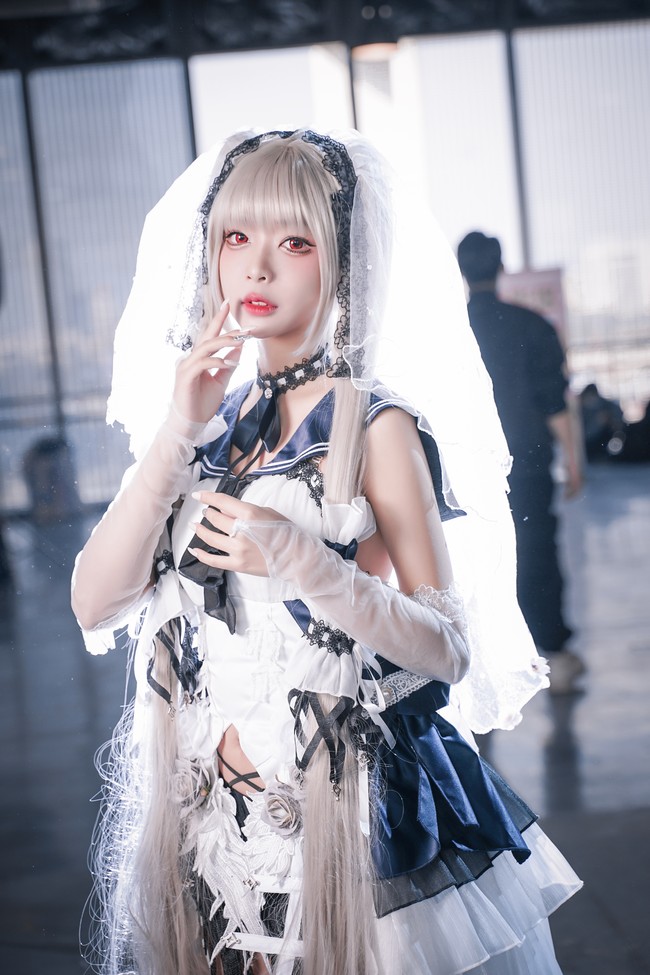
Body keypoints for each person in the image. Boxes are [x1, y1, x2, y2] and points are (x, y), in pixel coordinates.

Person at [72, 131, 581, 975]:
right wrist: (178, 425)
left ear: (340, 263)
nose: (257, 267)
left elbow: (446, 649)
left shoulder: (375, 425)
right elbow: (95, 600)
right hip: (207, 833)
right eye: (237, 237)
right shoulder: (206, 425)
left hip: (340, 828)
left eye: (295, 242)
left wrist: (306, 562)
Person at [457, 231, 585, 695]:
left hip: (465, 473)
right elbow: (554, 402)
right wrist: (574, 461)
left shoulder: (451, 331)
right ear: (501, 267)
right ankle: (553, 655)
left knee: (471, 563)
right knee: (536, 554)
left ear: (461, 271)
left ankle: (473, 665)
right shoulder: (532, 326)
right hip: (526, 467)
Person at [578, 382, 625, 462]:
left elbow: (618, 419)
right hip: (586, 446)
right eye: (589, 398)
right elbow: (583, 434)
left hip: (603, 443)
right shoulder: (579, 411)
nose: (591, 401)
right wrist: (597, 422)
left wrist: (611, 421)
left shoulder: (605, 405)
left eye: (593, 397)